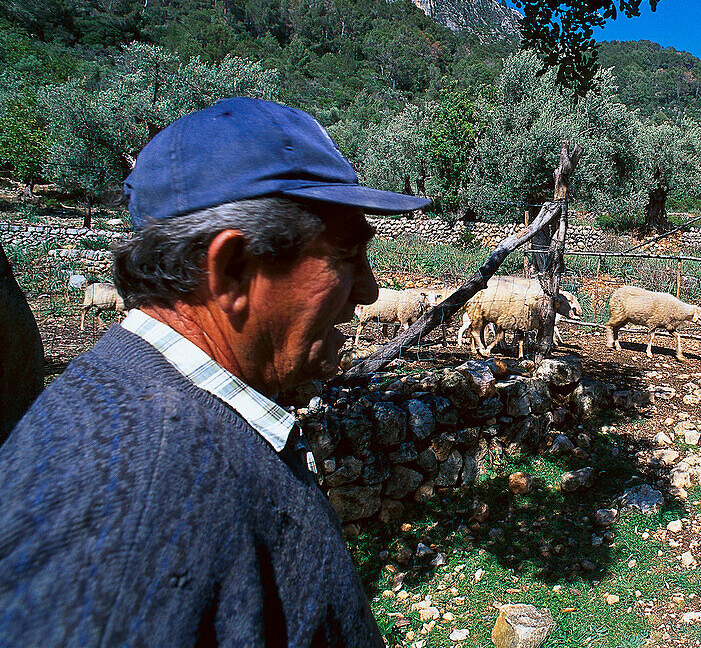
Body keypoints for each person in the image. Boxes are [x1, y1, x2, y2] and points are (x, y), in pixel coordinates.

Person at [0, 98, 430, 645]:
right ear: (231, 271)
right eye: (346, 256)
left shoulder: (139, 406)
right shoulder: (139, 512)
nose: (368, 291)